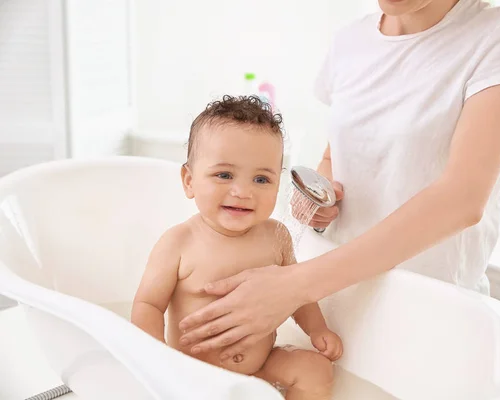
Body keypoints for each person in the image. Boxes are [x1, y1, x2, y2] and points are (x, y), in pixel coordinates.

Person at [176, 0, 500, 362]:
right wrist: (322, 196)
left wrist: (294, 286)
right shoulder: (350, 41)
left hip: (426, 306)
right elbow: (337, 154)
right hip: (337, 299)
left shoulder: (498, 36)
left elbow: (461, 200)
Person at [130, 95, 343, 400]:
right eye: (224, 175)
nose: (243, 192)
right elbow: (147, 305)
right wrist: (158, 357)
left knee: (316, 370)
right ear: (189, 180)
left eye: (261, 179)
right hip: (194, 374)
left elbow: (298, 294)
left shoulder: (277, 236)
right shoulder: (178, 242)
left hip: (260, 365)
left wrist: (317, 329)